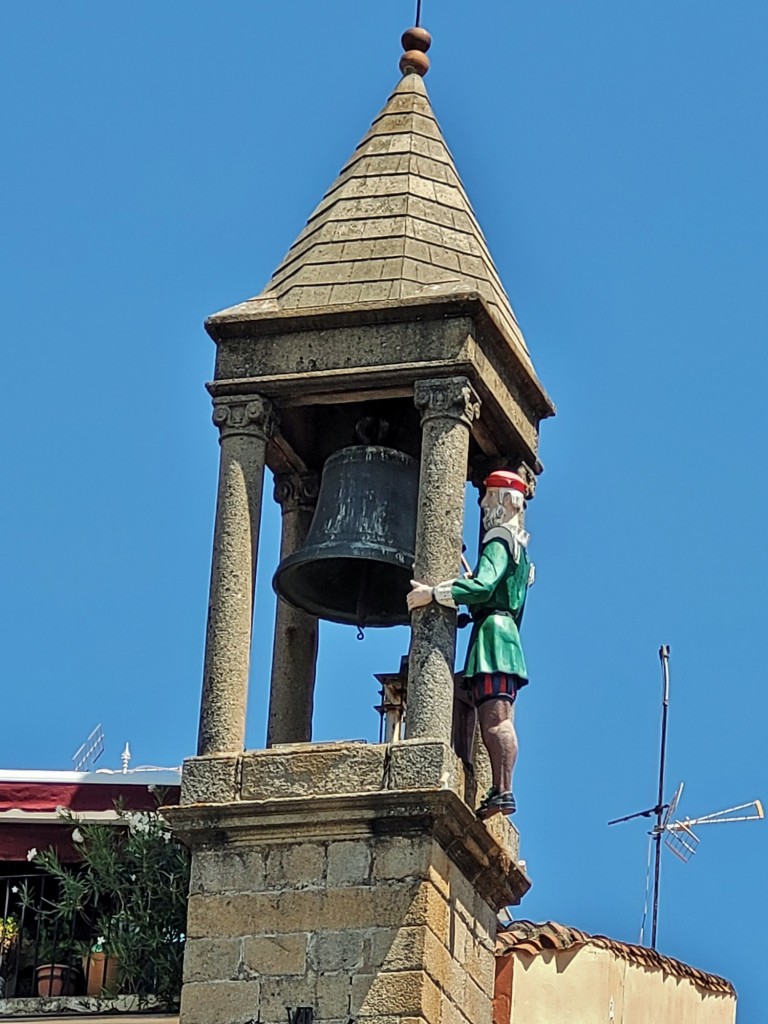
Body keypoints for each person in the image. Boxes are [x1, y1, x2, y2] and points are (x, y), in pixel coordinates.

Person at [407, 470, 534, 818]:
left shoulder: (498, 541)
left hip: (492, 640)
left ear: (503, 501)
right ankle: (467, 766)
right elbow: (502, 597)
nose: (481, 502)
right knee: (463, 693)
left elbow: (483, 588)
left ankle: (504, 791)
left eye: (487, 496)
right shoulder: (522, 551)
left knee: (496, 719)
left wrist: (434, 594)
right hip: (505, 638)